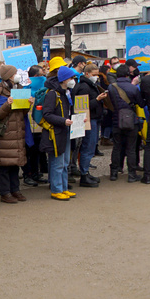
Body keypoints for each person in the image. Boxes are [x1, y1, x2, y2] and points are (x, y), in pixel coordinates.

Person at [0, 66, 30, 203]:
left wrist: (28, 105)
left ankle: (15, 190)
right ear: (8, 76)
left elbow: (22, 113)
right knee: (4, 164)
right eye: (14, 73)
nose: (17, 75)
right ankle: (5, 192)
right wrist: (7, 104)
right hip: (6, 133)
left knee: (15, 163)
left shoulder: (19, 89)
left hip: (17, 132)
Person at [41, 67, 79, 197]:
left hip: (65, 130)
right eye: (71, 78)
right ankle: (57, 190)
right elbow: (47, 114)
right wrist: (63, 121)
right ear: (64, 79)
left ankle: (63, 187)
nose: (73, 80)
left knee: (64, 162)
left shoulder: (66, 92)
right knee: (58, 162)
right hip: (56, 132)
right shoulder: (53, 94)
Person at [71, 61, 106, 187]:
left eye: (98, 74)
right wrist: (97, 100)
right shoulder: (84, 87)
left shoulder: (90, 85)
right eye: (94, 74)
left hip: (93, 119)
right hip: (88, 120)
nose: (97, 77)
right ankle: (84, 174)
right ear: (87, 74)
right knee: (88, 147)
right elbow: (81, 107)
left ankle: (86, 173)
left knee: (90, 146)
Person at [107, 65, 143, 181]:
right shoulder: (133, 88)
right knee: (131, 148)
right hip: (131, 120)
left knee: (117, 147)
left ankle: (114, 173)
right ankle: (132, 174)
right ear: (128, 74)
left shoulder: (111, 87)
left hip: (116, 119)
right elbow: (141, 103)